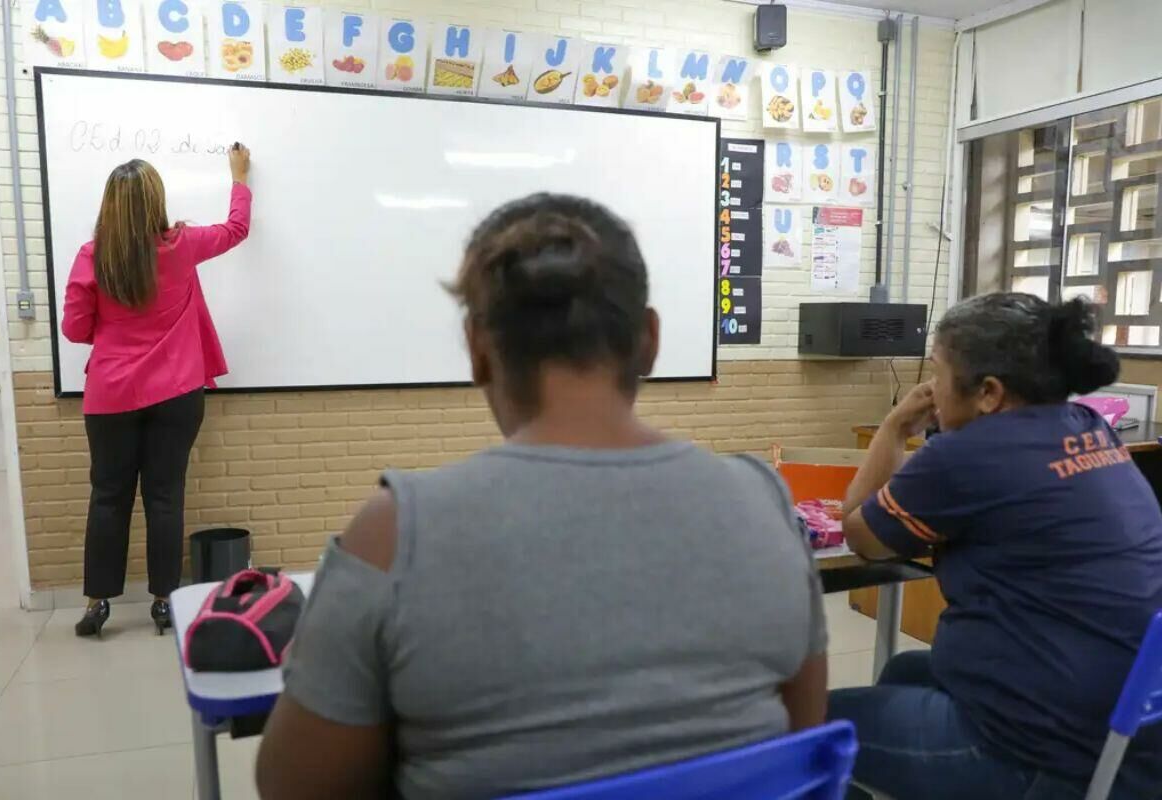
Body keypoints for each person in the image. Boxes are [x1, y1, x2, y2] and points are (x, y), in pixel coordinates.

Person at [256, 194, 828, 799]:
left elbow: (293, 788)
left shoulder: (395, 534)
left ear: (477, 349)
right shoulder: (764, 502)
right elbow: (800, 740)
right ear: (650, 341)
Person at [830, 293, 1162, 800]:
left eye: (937, 372)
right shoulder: (1090, 428)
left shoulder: (968, 456)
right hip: (1126, 734)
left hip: (1038, 754)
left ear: (988, 392)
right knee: (903, 670)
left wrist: (896, 425)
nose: (931, 390)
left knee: (798, 721)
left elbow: (860, 536)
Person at [62, 147, 252, 638]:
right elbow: (236, 230)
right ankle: (164, 601)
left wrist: (114, 336)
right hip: (177, 394)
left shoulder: (92, 256)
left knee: (108, 497)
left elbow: (74, 327)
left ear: (110, 205)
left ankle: (96, 604)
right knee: (165, 498)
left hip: (110, 397)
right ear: (155, 201)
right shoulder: (182, 245)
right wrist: (239, 178)